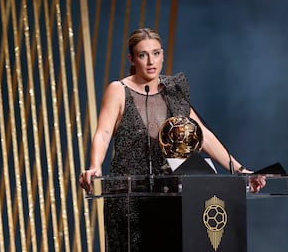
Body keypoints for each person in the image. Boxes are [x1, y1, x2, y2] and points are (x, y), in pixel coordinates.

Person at [78, 28, 265, 251]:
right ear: (131, 58)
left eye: (156, 53)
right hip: (127, 196)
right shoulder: (118, 90)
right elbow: (103, 133)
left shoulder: (173, 91)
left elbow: (202, 136)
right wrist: (95, 166)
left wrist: (240, 170)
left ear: (163, 54)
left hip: (168, 194)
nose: (150, 61)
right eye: (142, 55)